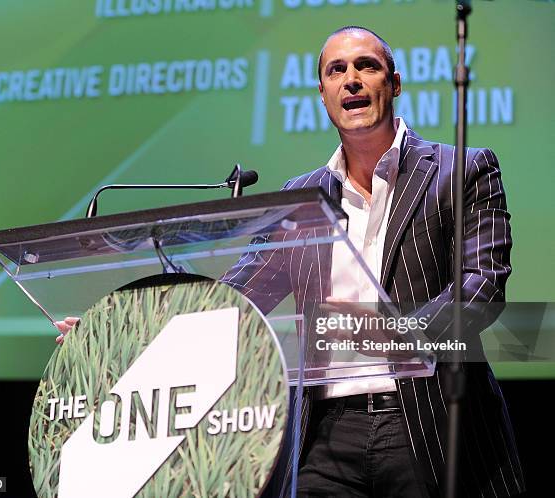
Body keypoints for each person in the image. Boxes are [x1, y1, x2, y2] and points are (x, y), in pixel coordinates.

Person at [219, 26, 525, 497]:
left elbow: (481, 286)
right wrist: (125, 327)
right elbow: (233, 299)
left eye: (367, 66)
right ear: (323, 95)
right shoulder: (300, 199)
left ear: (395, 84)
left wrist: (399, 333)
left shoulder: (460, 170)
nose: (352, 80)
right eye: (336, 70)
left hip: (427, 422)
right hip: (324, 435)